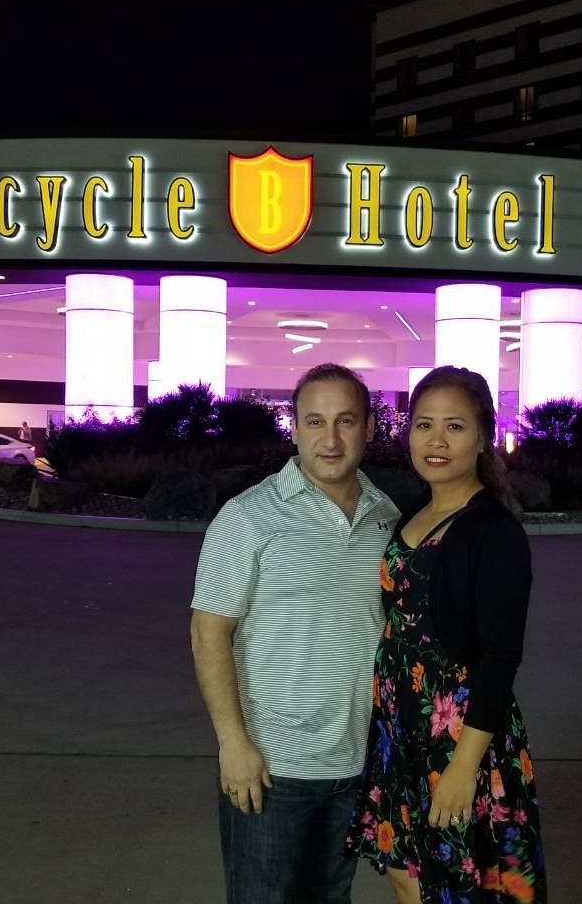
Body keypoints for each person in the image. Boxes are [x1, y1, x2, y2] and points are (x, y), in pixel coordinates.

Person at [190, 363, 401, 904]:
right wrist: (233, 744)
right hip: (272, 767)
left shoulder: (385, 515)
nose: (330, 439)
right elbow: (208, 633)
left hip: (354, 763)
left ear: (369, 428)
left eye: (345, 421)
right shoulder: (248, 517)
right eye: (315, 421)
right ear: (295, 428)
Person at [347, 365, 546, 903]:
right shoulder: (414, 514)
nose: (436, 440)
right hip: (402, 729)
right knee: (405, 872)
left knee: (457, 883)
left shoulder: (493, 531)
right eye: (424, 424)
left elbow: (500, 658)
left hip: (460, 737)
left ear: (482, 438)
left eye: (454, 427)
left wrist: (463, 767)